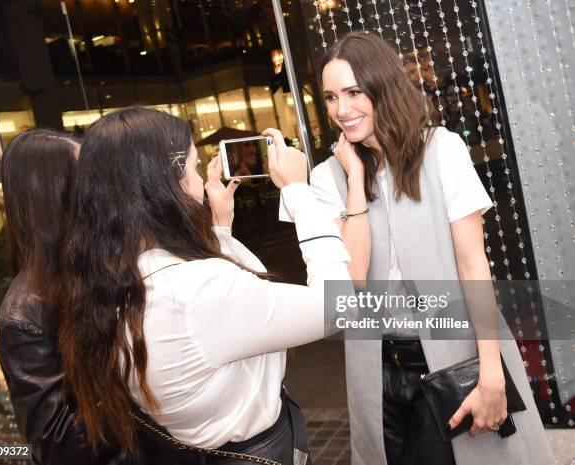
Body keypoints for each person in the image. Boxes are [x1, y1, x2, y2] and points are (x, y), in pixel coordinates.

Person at [309, 31, 553, 465]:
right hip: (377, 366)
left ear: (382, 85)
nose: (341, 110)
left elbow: (472, 262)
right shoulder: (328, 177)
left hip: (455, 355)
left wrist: (492, 373)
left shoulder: (441, 149)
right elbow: (351, 286)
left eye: (353, 92)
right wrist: (352, 185)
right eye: (330, 97)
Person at [57, 107, 353, 464]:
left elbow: (213, 325)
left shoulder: (115, 282)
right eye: (195, 169)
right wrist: (299, 192)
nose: (201, 182)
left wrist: (220, 230)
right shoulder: (198, 290)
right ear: (164, 185)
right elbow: (338, 307)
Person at [0, 130, 127, 464]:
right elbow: (58, 445)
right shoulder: (23, 315)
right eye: (85, 176)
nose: (98, 187)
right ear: (56, 194)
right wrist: (142, 386)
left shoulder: (100, 266)